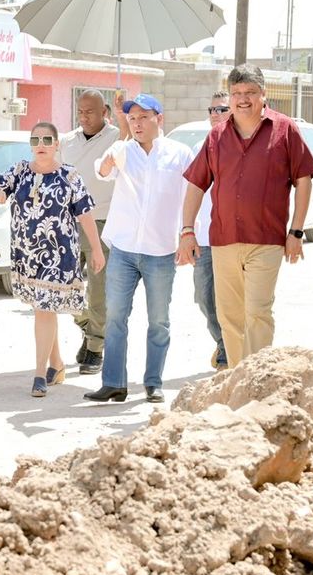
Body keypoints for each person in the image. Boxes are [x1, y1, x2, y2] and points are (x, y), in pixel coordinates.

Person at [180, 63, 313, 365]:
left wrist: (296, 232)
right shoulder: (216, 137)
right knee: (229, 315)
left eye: (250, 92)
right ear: (229, 97)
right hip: (224, 240)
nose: (243, 99)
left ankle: (257, 377)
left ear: (263, 94)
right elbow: (196, 184)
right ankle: (237, 374)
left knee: (257, 311)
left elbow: (304, 180)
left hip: (266, 240)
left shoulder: (285, 130)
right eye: (236, 93)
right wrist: (187, 230)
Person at [85, 94, 192, 404]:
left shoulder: (180, 154)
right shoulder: (123, 150)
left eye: (144, 117)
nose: (137, 124)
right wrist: (107, 163)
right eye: (132, 119)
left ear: (160, 119)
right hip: (124, 249)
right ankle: (114, 383)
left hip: (161, 250)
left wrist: (188, 235)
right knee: (116, 317)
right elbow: (102, 170)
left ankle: (153, 383)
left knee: (159, 321)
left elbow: (192, 196)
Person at [0, 121, 106, 397]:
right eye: (35, 140)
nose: (40, 145)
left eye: (46, 140)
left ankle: (40, 374)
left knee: (44, 309)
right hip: (26, 256)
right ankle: (57, 364)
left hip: (58, 256)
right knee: (44, 309)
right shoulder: (20, 171)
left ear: (56, 144)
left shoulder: (69, 176)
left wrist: (97, 249)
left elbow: (85, 214)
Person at [59, 89, 120, 375]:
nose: (84, 117)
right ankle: (87, 325)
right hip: (69, 221)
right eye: (80, 112)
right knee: (62, 285)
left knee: (98, 290)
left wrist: (124, 114)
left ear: (104, 111)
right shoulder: (67, 140)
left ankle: (96, 346)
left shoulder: (117, 137)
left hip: (101, 221)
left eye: (90, 112)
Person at [192, 91, 232, 370]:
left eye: (221, 109)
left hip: (234, 238)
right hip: (204, 237)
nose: (215, 114)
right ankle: (223, 341)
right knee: (205, 297)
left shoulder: (244, 146)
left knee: (233, 298)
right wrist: (186, 232)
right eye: (211, 110)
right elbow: (187, 192)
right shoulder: (200, 146)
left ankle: (230, 351)